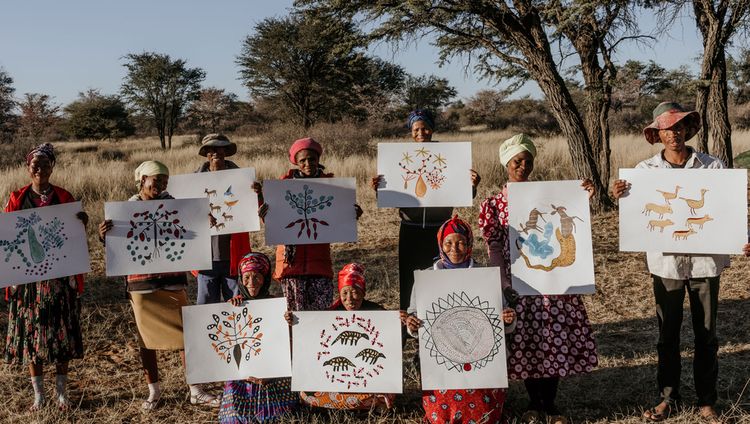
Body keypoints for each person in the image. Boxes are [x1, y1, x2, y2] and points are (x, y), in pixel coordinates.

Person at [612, 102, 746, 424]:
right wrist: (621, 196)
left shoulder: (712, 167)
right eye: (667, 127)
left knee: (706, 334)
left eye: (679, 126)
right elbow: (638, 217)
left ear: (687, 129)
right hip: (666, 265)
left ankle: (706, 401)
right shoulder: (643, 174)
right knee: (667, 334)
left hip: (704, 264)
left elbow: (727, 208)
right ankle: (668, 398)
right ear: (657, 134)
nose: (674, 132)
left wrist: (743, 235)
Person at [478, 134, 598, 424]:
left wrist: (584, 197)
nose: (523, 166)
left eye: (528, 161)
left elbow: (571, 226)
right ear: (506, 164)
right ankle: (533, 402)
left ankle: (551, 404)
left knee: (552, 340)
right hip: (520, 285)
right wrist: (504, 285)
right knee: (528, 343)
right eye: (517, 161)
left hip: (555, 282)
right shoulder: (494, 204)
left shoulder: (550, 196)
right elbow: (494, 247)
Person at [98, 160, 218, 410]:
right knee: (146, 339)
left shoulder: (177, 206)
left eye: (164, 180)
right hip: (141, 284)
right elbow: (119, 246)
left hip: (173, 281)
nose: (161, 184)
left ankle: (196, 390)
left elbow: (190, 234)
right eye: (156, 179)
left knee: (188, 336)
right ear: (142, 180)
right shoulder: (126, 210)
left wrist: (203, 222)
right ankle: (154, 391)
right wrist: (104, 235)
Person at [370, 109, 481, 342]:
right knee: (410, 278)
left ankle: (441, 327)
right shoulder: (401, 158)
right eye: (416, 129)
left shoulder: (450, 157)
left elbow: (462, 193)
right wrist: (380, 188)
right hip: (409, 228)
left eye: (425, 128)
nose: (421, 132)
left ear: (432, 128)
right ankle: (409, 330)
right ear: (411, 133)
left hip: (439, 230)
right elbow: (394, 193)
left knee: (440, 278)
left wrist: (472, 185)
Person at [404, 216, 517, 424]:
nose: (454, 248)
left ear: (469, 244)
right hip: (441, 358)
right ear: (440, 245)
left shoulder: (484, 275)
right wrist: (412, 324)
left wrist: (507, 319)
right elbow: (414, 313)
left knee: (484, 406)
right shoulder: (427, 277)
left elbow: (502, 314)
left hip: (482, 359)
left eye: (460, 242)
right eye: (448, 242)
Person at [4, 143, 86, 411]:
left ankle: (61, 394)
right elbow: (8, 240)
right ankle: (39, 395)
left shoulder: (64, 197)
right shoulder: (17, 198)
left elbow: (74, 238)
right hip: (29, 283)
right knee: (31, 337)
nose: (40, 168)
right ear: (28, 168)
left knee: (61, 334)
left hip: (60, 280)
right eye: (35, 164)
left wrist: (79, 223)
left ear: (53, 166)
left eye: (45, 163)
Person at [255, 137, 362, 312]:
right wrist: (261, 205)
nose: (307, 163)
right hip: (291, 265)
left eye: (312, 159)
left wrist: (351, 215)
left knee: (319, 316)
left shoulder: (333, 188)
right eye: (302, 160)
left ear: (318, 159)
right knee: (295, 316)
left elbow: (336, 220)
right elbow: (274, 222)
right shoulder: (283, 186)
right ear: (296, 162)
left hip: (319, 263)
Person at [297, 263, 395, 411]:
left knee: (384, 395)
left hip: (368, 379)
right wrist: (294, 323)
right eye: (344, 293)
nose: (349, 299)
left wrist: (399, 324)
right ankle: (361, 405)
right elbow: (312, 341)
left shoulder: (378, 313)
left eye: (355, 292)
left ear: (363, 292)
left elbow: (392, 348)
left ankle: (359, 403)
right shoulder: (331, 315)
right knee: (306, 395)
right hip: (339, 380)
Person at [218, 252, 298, 423]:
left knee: (281, 415)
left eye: (257, 277)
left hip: (272, 372)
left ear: (266, 278)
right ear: (240, 278)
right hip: (243, 373)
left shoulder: (276, 306)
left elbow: (283, 346)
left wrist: (289, 324)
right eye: (246, 277)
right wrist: (229, 311)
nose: (252, 283)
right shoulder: (235, 305)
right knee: (234, 417)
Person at [194, 133, 251, 304]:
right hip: (204, 255)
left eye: (220, 148)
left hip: (234, 253)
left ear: (226, 151)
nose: (215, 152)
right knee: (205, 305)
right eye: (211, 149)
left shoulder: (243, 179)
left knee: (236, 304)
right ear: (206, 153)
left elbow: (255, 209)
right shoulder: (192, 182)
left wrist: (257, 193)